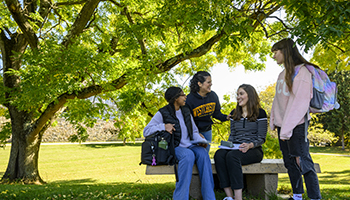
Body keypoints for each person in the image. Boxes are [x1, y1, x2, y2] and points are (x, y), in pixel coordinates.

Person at [270, 38, 322, 200]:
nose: (274, 56)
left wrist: (286, 130)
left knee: (303, 163)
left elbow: (299, 104)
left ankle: (315, 197)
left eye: (276, 52)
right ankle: (297, 196)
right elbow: (278, 100)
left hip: (296, 126)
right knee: (290, 163)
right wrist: (273, 120)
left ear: (285, 51)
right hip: (282, 127)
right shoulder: (281, 74)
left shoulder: (302, 73)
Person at [143, 86, 216, 200]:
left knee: (203, 153)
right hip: (175, 147)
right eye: (182, 95)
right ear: (175, 98)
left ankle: (209, 197)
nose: (185, 97)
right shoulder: (163, 112)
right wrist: (163, 126)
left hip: (190, 145)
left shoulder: (186, 110)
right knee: (188, 155)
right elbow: (146, 131)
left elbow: (194, 130)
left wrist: (201, 140)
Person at [214, 84, 267, 200]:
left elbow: (261, 138)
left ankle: (238, 197)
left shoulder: (260, 113)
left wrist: (249, 145)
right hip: (236, 147)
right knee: (219, 155)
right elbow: (232, 135)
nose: (238, 97)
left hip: (254, 150)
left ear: (250, 95)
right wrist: (228, 145)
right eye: (237, 94)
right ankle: (229, 196)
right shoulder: (234, 113)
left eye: (241, 94)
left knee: (233, 157)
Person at [186, 71, 230, 152]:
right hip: (194, 132)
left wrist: (226, 117)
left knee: (205, 154)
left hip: (207, 131)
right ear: (200, 84)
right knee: (195, 154)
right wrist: (195, 134)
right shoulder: (189, 99)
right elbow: (187, 121)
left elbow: (216, 113)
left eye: (211, 82)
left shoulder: (213, 96)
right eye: (208, 82)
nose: (211, 84)